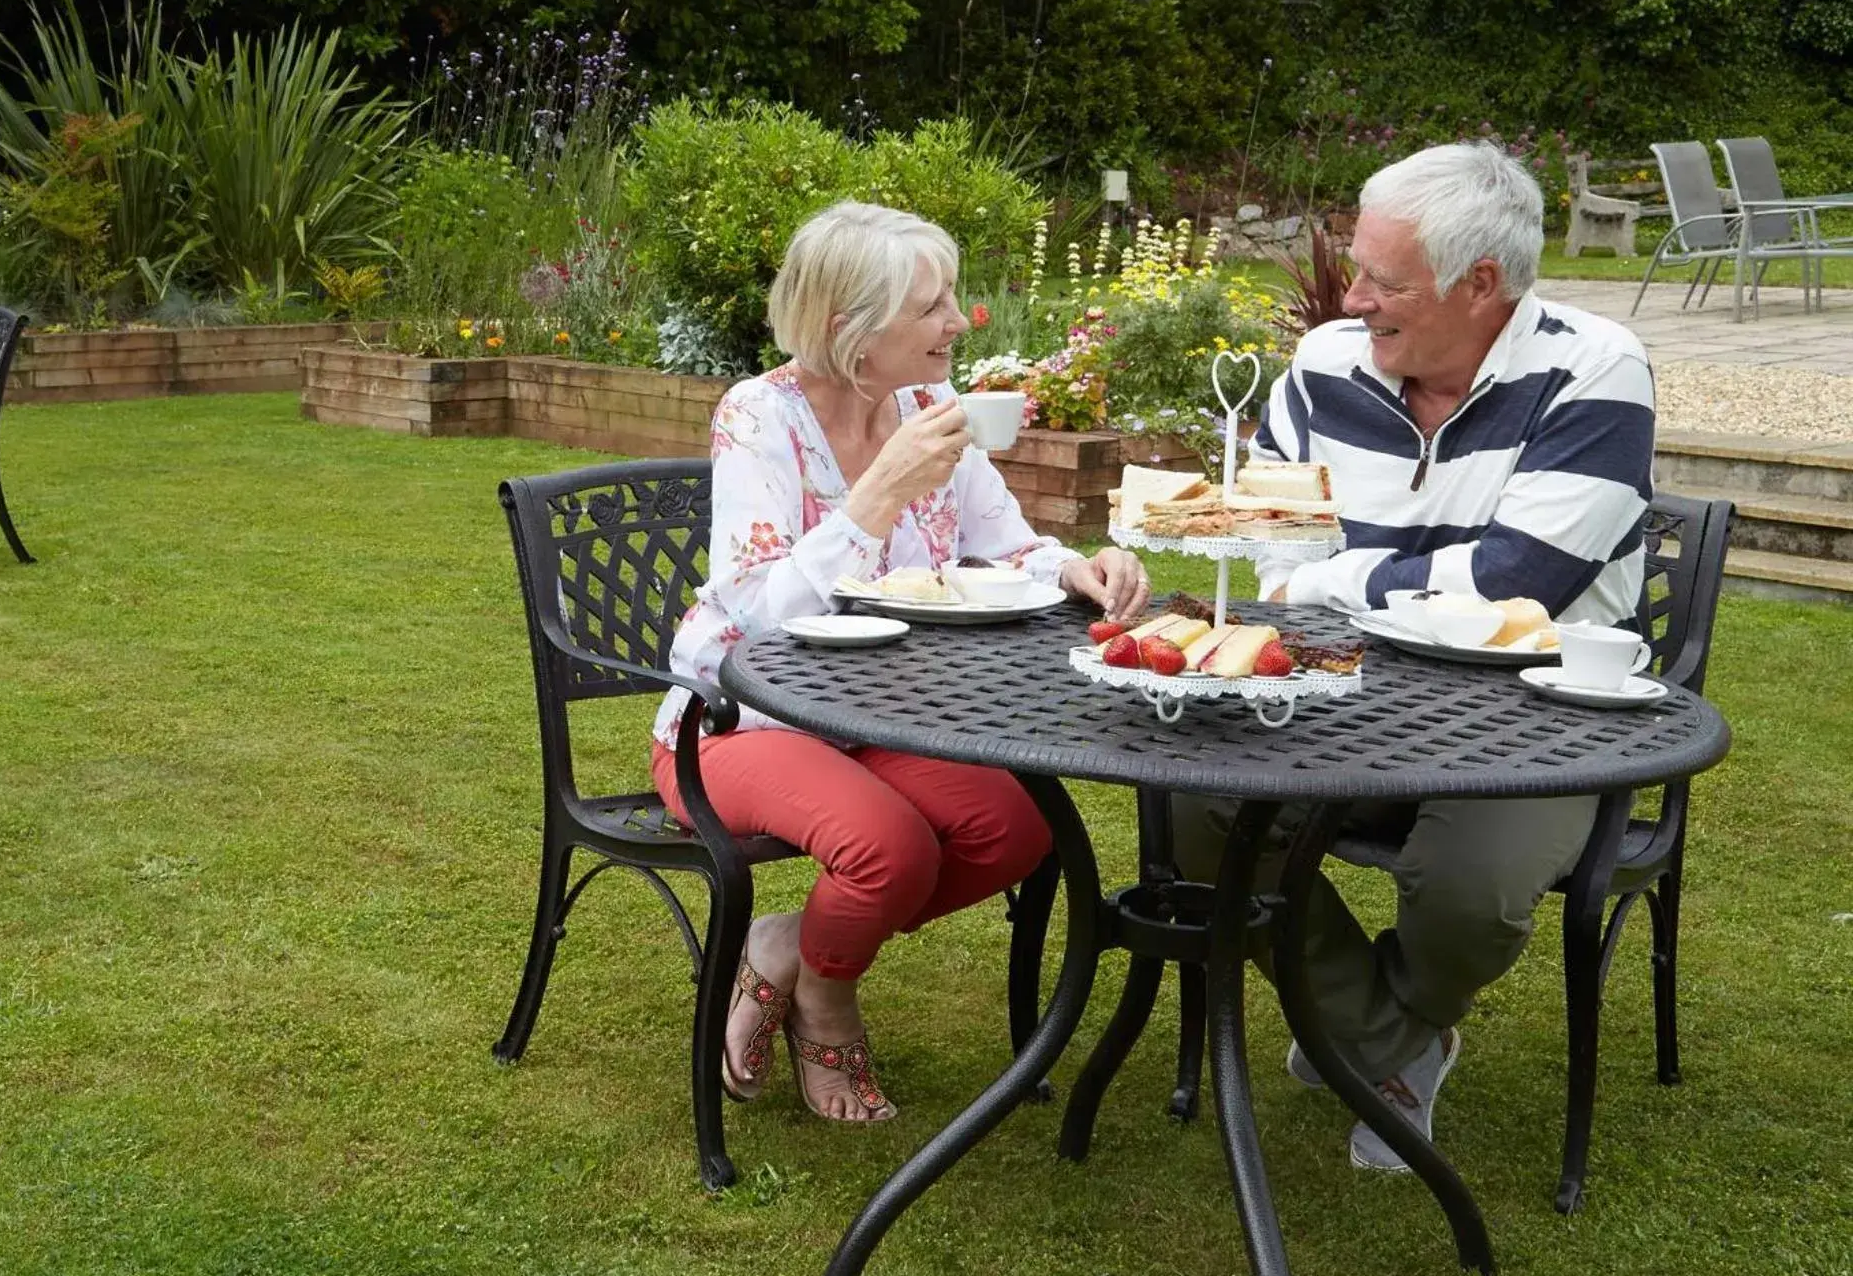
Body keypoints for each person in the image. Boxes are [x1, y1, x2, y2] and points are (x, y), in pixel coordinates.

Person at [1176, 142, 1656, 1169]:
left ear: (1479, 284)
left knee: (1468, 887)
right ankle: (1392, 1041)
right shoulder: (1323, 367)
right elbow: (1269, 550)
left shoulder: (1592, 368)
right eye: (1356, 270)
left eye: (1382, 281)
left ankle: (1363, 1033)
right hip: (1336, 683)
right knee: (1190, 805)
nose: (1349, 299)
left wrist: (1336, 574)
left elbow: (1514, 589)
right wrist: (1362, 580)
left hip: (1537, 707)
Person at [651, 200, 1151, 1123]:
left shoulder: (928, 408)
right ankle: (829, 1002)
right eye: (933, 306)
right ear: (852, 329)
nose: (959, 322)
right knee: (888, 849)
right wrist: (874, 499)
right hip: (740, 717)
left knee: (1018, 826)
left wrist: (1079, 564)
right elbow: (756, 614)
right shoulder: (759, 416)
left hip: (882, 714)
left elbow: (1006, 546)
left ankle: (786, 947)